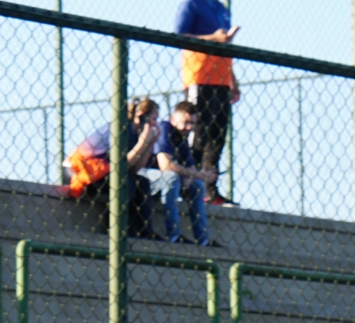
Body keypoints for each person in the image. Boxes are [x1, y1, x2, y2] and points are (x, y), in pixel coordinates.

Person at [172, 0, 238, 205]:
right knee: (197, 133)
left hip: (222, 79)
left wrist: (233, 80)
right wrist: (213, 38)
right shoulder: (191, 4)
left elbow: (224, 43)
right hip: (199, 75)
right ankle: (189, 186)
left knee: (217, 137)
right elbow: (179, 36)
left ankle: (209, 189)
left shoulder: (220, 8)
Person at [66, 98, 160, 236]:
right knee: (125, 181)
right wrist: (143, 142)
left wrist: (149, 143)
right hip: (81, 170)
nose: (155, 123)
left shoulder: (135, 133)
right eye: (153, 119)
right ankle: (117, 229)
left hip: (104, 170)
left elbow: (135, 169)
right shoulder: (120, 129)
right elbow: (122, 165)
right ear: (141, 116)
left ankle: (145, 231)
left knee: (142, 182)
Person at [140, 100, 213, 245]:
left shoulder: (182, 137)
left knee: (197, 186)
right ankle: (173, 234)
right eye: (186, 122)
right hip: (144, 175)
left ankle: (203, 239)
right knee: (172, 177)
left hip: (167, 179)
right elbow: (165, 165)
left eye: (192, 123)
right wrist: (198, 175)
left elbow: (191, 170)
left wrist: (192, 176)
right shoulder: (165, 129)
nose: (189, 127)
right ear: (173, 119)